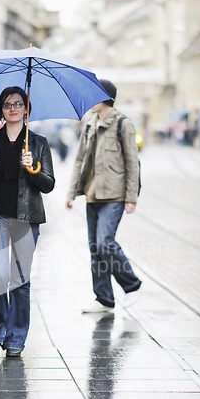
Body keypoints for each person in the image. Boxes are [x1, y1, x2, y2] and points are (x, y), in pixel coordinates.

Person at [0, 86, 55, 357]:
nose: (13, 108)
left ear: (26, 109)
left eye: (19, 104)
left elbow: (48, 185)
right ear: (1, 110)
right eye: (8, 104)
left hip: (26, 220)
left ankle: (16, 338)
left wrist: (34, 168)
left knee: (20, 281)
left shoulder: (39, 143)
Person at [66, 79, 142, 313]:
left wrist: (131, 197)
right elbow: (79, 159)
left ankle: (131, 284)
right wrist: (71, 192)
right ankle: (104, 299)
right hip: (92, 193)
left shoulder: (123, 124)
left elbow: (132, 163)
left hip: (115, 195)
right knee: (95, 248)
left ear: (103, 97)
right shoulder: (89, 123)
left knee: (105, 243)